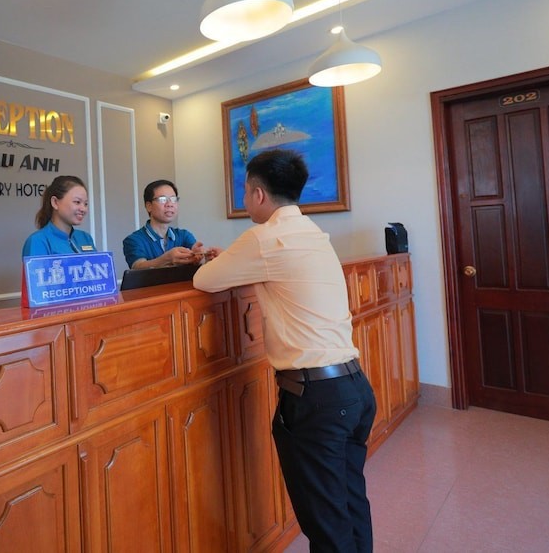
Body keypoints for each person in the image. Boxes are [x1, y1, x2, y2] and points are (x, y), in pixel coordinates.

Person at [192, 149, 376, 553]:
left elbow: (204, 280)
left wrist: (229, 259)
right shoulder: (311, 232)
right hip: (354, 389)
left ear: (258, 194)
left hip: (317, 400)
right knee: (350, 506)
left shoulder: (263, 238)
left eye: (245, 191)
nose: (245, 199)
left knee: (327, 527)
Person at [122, 179, 220, 269]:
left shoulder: (184, 235)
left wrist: (202, 257)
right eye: (162, 199)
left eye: (173, 199)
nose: (169, 204)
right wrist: (167, 259)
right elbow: (138, 267)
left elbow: (198, 261)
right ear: (149, 206)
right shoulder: (134, 240)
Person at [22, 175, 97, 257]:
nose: (83, 209)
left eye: (85, 204)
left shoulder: (85, 238)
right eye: (77, 202)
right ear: (55, 202)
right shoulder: (38, 241)